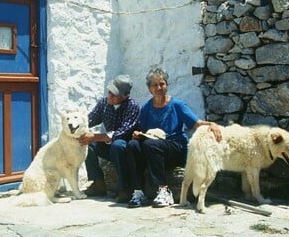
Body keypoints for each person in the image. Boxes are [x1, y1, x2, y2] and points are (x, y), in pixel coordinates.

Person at [126, 66, 222, 208]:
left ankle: (164, 190)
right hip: (155, 149)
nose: (159, 88)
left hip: (176, 148)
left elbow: (196, 123)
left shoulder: (177, 105)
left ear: (167, 85)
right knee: (133, 145)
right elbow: (143, 130)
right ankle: (139, 192)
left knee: (150, 145)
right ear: (149, 88)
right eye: (155, 85)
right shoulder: (146, 108)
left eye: (162, 84)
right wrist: (137, 134)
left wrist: (211, 124)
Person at [78, 74, 141, 203]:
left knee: (118, 144)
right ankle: (98, 183)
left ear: (125, 96)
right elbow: (90, 120)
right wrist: (77, 123)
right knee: (88, 145)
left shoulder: (132, 106)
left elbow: (121, 133)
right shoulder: (104, 103)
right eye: (109, 92)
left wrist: (95, 136)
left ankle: (125, 189)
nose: (110, 96)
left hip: (124, 149)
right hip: (108, 146)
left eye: (115, 94)